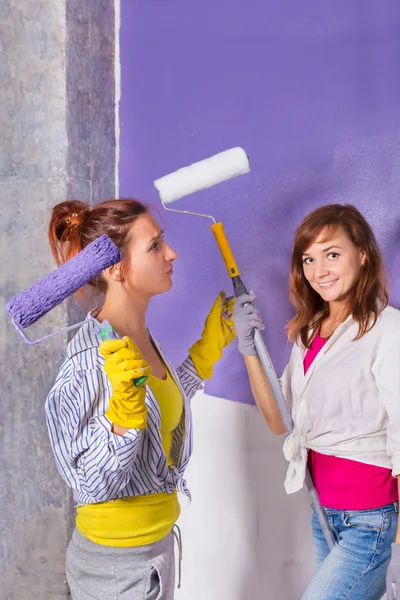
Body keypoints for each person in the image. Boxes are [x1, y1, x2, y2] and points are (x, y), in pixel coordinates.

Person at [45, 198, 250, 600]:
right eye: (154, 246)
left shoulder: (137, 339)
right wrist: (122, 417)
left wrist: (207, 350)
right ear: (115, 267)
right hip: (115, 569)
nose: (171, 253)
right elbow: (90, 484)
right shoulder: (92, 363)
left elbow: (158, 419)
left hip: (155, 552)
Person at [234, 204, 400, 599]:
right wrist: (248, 349)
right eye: (309, 259)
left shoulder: (388, 329)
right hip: (322, 508)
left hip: (368, 518)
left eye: (332, 254)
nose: (319, 270)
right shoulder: (311, 331)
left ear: (362, 254)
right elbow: (279, 419)